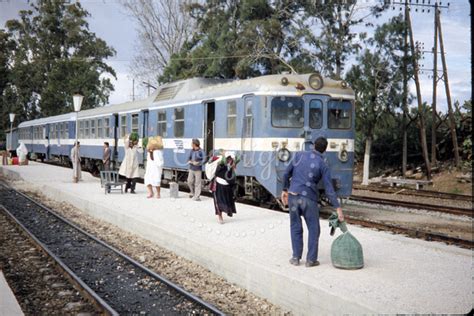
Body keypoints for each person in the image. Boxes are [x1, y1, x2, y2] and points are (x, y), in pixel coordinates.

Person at [281, 137, 344, 267]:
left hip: (293, 197)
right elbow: (329, 189)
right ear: (325, 150)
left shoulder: (298, 155)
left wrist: (284, 190)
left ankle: (295, 258)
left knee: (295, 226)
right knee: (314, 228)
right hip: (308, 199)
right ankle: (311, 260)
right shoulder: (323, 164)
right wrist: (338, 208)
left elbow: (286, 174)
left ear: (313, 145)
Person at [211, 151, 239, 224]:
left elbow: (238, 158)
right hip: (218, 185)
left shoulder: (232, 164)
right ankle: (220, 217)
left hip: (227, 186)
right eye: (228, 159)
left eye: (231, 159)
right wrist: (224, 154)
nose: (230, 160)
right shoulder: (221, 163)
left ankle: (224, 213)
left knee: (227, 201)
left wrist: (233, 163)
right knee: (218, 202)